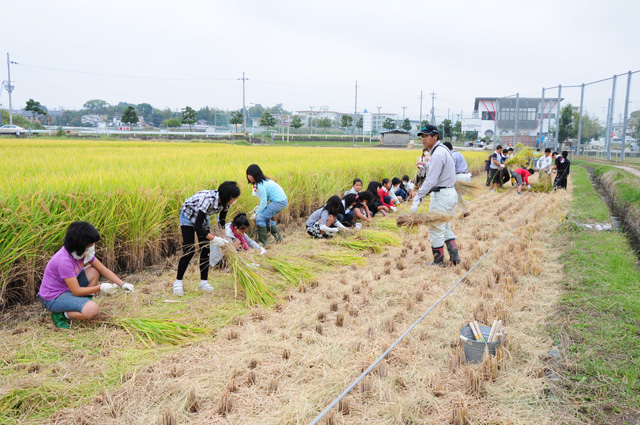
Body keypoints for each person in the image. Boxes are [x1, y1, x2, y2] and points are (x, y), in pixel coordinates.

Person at [38, 222, 134, 329]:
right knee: (92, 310)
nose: (92, 246)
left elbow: (102, 269)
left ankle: (82, 303)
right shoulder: (64, 261)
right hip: (53, 298)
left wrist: (122, 284)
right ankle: (60, 314)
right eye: (90, 244)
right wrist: (100, 288)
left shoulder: (83, 253)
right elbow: (76, 291)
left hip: (67, 288)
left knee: (94, 270)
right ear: (80, 244)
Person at [174, 181, 240, 296]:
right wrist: (214, 239)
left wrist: (223, 237)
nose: (235, 200)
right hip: (188, 216)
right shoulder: (208, 199)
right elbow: (197, 227)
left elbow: (222, 220)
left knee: (205, 251)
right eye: (234, 198)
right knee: (189, 250)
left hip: (202, 219)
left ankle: (203, 283)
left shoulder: (226, 203)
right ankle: (178, 283)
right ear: (228, 197)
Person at [410, 125, 460, 266]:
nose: (423, 139)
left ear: (435, 136)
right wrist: (426, 166)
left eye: (426, 135)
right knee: (445, 226)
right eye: (422, 136)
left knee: (436, 228)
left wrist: (418, 197)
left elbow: (431, 180)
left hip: (442, 195)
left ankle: (438, 262)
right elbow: (439, 170)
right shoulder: (442, 150)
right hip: (450, 193)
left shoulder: (437, 153)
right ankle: (455, 258)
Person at [246, 164, 288, 246]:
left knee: (260, 217)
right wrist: (260, 207)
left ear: (255, 174)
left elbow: (264, 202)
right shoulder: (263, 181)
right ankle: (279, 239)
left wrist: (257, 213)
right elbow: (266, 198)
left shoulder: (261, 185)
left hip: (279, 202)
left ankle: (263, 243)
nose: (248, 177)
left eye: (250, 175)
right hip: (280, 201)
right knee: (265, 217)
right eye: (248, 174)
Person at [443, 141, 471, 217]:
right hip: (466, 175)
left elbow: (451, 168)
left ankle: (465, 211)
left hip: (459, 177)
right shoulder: (459, 154)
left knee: (456, 195)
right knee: (457, 195)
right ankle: (463, 210)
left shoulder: (452, 155)